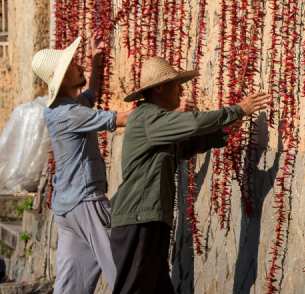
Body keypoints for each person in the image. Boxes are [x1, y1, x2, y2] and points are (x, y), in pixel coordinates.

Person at [109, 56, 269, 294]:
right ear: (159, 88)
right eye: (176, 83)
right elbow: (193, 124)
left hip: (150, 218)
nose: (181, 89)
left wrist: (223, 132)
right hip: (139, 218)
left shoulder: (157, 123)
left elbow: (188, 145)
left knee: (158, 288)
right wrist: (237, 110)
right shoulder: (147, 117)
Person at [33, 33, 132, 294]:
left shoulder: (61, 109)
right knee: (123, 269)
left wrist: (96, 60)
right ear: (63, 77)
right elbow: (121, 119)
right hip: (87, 203)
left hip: (66, 209)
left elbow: (92, 92)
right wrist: (168, 111)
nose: (80, 67)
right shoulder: (71, 114)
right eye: (74, 65)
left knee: (70, 286)